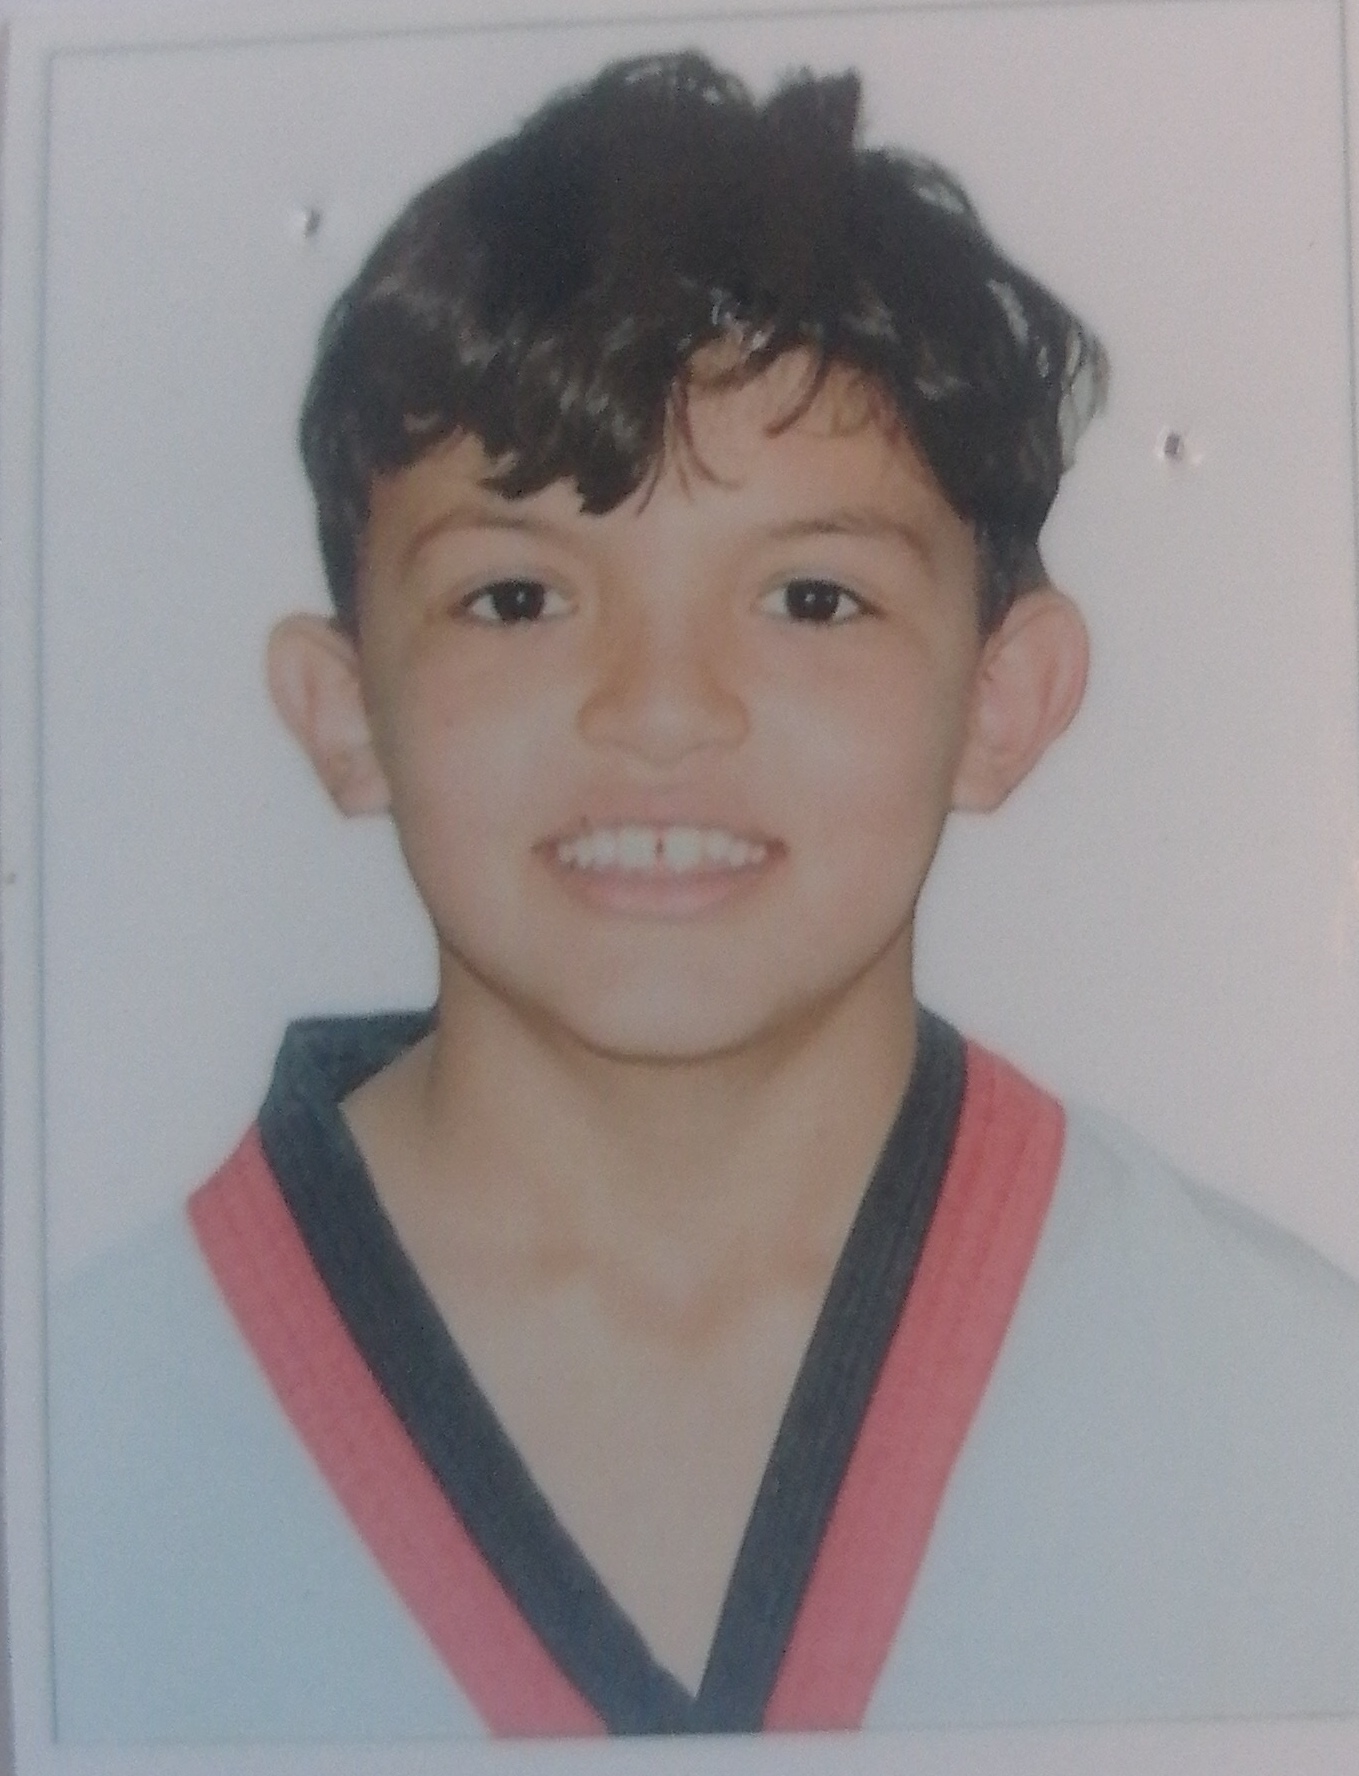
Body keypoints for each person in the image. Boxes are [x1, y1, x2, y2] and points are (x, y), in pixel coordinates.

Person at [49, 51, 1359, 1743]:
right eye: (516, 600)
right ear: (343, 710)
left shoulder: (1285, 1414)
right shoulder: (82, 1441)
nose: (661, 713)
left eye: (811, 599)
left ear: (1003, 700)